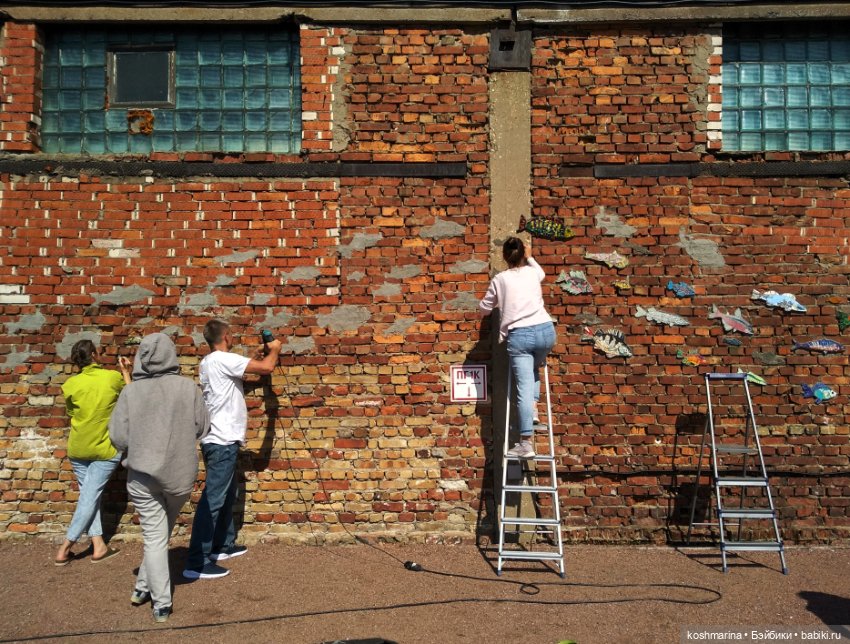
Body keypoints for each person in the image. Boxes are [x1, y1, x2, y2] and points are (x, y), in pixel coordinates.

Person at [108, 333, 210, 623]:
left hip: (141, 474)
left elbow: (117, 436)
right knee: (158, 535)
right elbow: (202, 427)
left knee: (155, 536)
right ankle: (159, 601)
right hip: (179, 473)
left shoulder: (131, 392)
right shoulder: (187, 388)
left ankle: (145, 590)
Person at [182, 320, 281, 580]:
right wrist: (275, 349)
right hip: (222, 440)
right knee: (213, 500)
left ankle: (221, 547)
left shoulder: (210, 362)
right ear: (226, 336)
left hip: (221, 439)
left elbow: (242, 371)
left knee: (227, 494)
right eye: (232, 333)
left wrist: (255, 357)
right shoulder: (222, 360)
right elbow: (267, 368)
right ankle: (197, 562)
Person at [55, 339, 131, 566]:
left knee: (89, 496)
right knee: (89, 497)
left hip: (78, 447)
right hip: (104, 448)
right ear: (95, 356)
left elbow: (71, 412)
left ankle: (98, 546)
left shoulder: (70, 384)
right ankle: (65, 546)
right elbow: (132, 397)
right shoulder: (111, 377)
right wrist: (126, 371)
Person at [479, 236, 556, 458]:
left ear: (504, 256)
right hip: (546, 331)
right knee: (534, 368)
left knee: (522, 388)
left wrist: (485, 305)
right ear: (523, 254)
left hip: (521, 336)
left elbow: (485, 308)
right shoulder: (533, 272)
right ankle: (533, 410)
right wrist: (530, 258)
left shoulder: (500, 279)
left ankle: (525, 443)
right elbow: (541, 273)